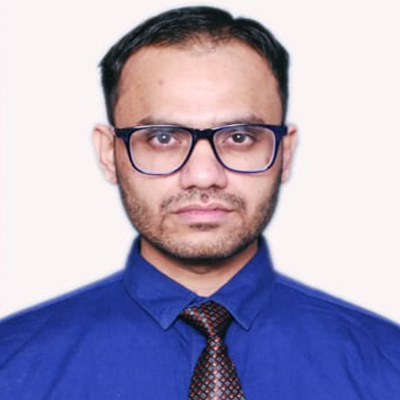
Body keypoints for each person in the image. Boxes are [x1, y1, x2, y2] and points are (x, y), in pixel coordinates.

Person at [0, 5, 399, 399]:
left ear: (285, 153)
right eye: (162, 137)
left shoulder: (388, 365)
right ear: (108, 154)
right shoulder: (11, 366)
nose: (204, 175)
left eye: (240, 137)